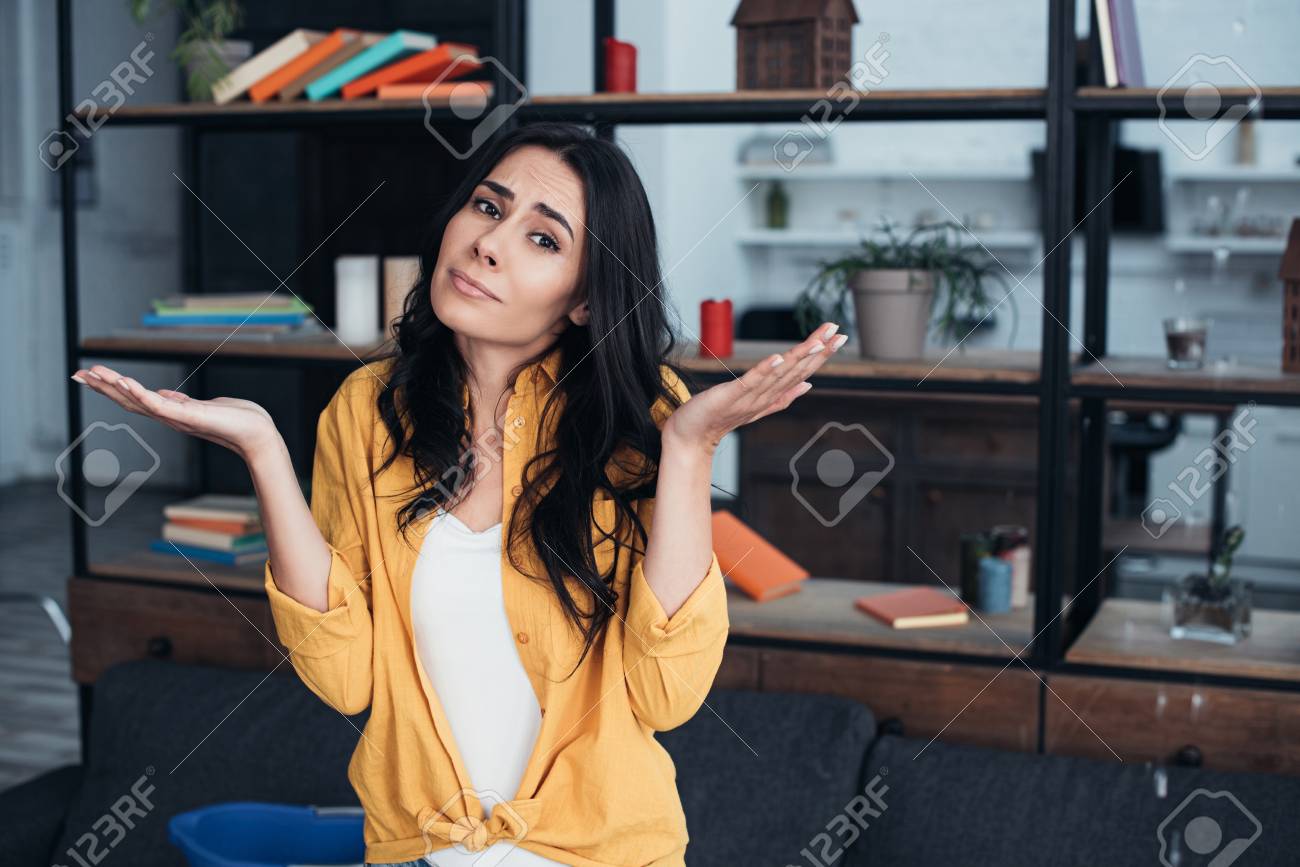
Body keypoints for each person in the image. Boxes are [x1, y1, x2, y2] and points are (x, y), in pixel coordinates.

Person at [72, 121, 847, 867]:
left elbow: (666, 692)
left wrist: (690, 446)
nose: (488, 243)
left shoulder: (644, 419)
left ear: (584, 298)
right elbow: (346, 678)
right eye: (488, 206)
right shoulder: (368, 409)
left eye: (543, 238)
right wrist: (263, 450)